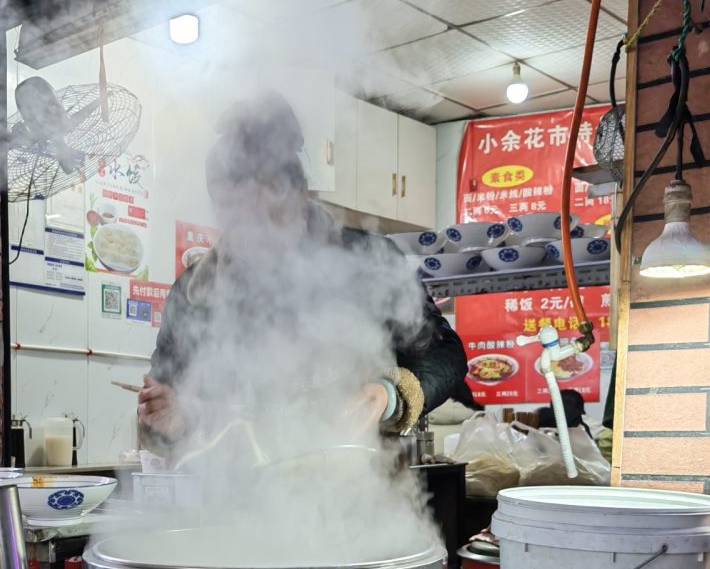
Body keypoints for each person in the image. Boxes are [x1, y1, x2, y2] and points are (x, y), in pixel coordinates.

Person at [138, 95, 467, 453]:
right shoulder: (194, 292)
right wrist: (172, 420)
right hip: (234, 480)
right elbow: (161, 405)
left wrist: (389, 395)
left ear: (301, 197)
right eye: (237, 217)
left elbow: (446, 354)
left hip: (354, 476)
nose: (256, 234)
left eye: (269, 214)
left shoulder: (365, 261)